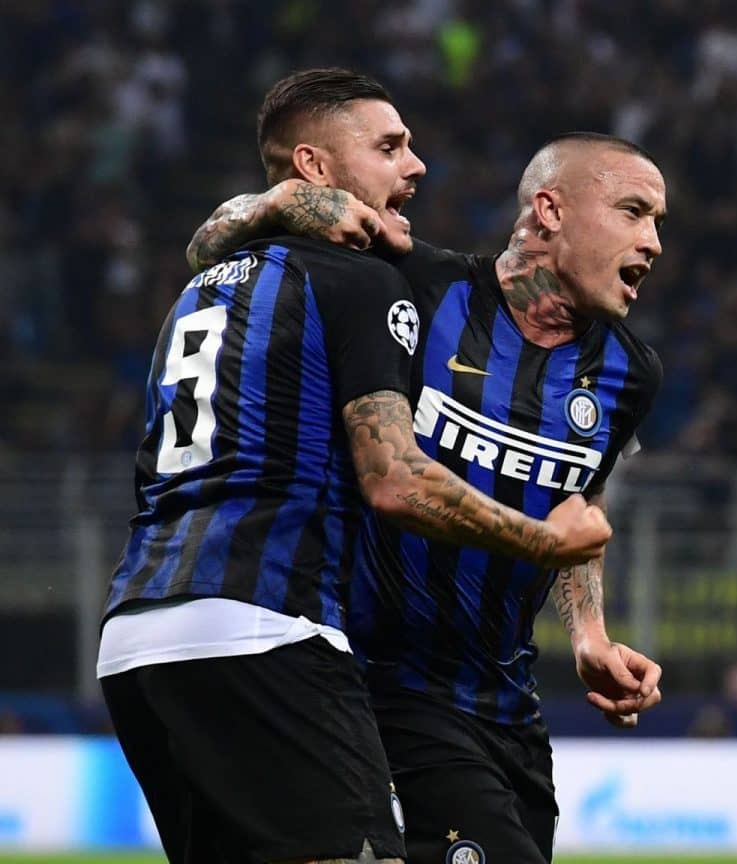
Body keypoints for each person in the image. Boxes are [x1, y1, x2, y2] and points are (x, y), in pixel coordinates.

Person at [98, 69, 612, 864]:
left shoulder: (198, 290)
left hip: (137, 637)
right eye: (389, 147)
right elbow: (396, 480)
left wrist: (269, 206)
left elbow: (217, 238)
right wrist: (544, 540)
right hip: (267, 622)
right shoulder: (362, 282)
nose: (416, 165)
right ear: (315, 167)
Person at [187, 130, 667, 862]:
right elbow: (211, 249)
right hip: (380, 689)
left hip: (509, 708)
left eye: (657, 221)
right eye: (633, 212)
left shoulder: (631, 373)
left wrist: (590, 636)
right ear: (550, 211)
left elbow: (577, 509)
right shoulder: (412, 286)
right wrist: (279, 202)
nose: (653, 242)